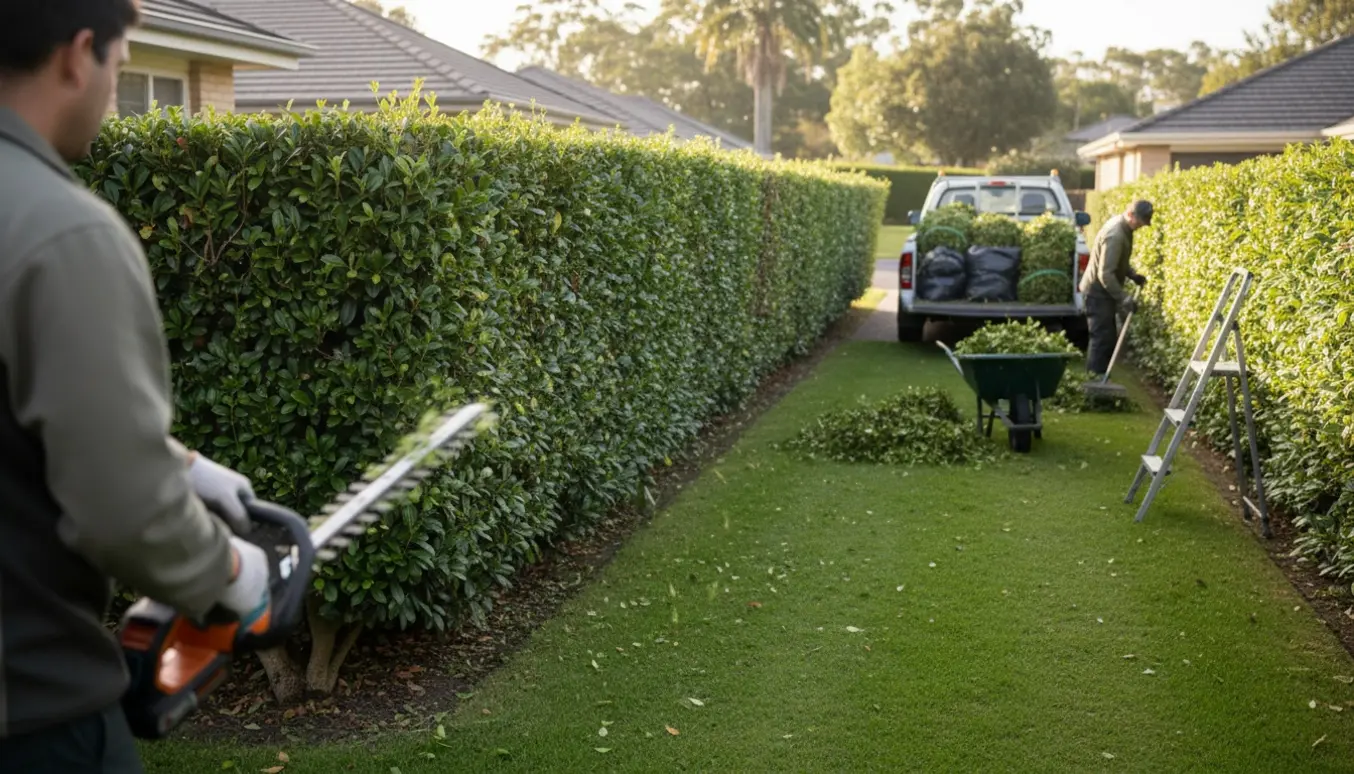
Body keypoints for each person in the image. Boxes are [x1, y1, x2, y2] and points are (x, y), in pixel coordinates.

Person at [0, 2, 273, 770]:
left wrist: (183, 466)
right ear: (77, 54)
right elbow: (124, 510)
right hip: (31, 720)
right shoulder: (61, 231)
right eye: (121, 68)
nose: (114, 92)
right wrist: (232, 572)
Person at [1079, 199, 1153, 377]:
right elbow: (1105, 274)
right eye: (1140, 222)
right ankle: (1095, 381)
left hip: (1103, 291)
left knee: (1107, 337)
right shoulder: (1116, 235)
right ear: (1130, 214)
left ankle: (1100, 377)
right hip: (1097, 292)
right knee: (1102, 339)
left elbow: (1118, 261)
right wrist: (1125, 299)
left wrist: (1132, 274)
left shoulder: (1124, 228)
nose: (1141, 226)